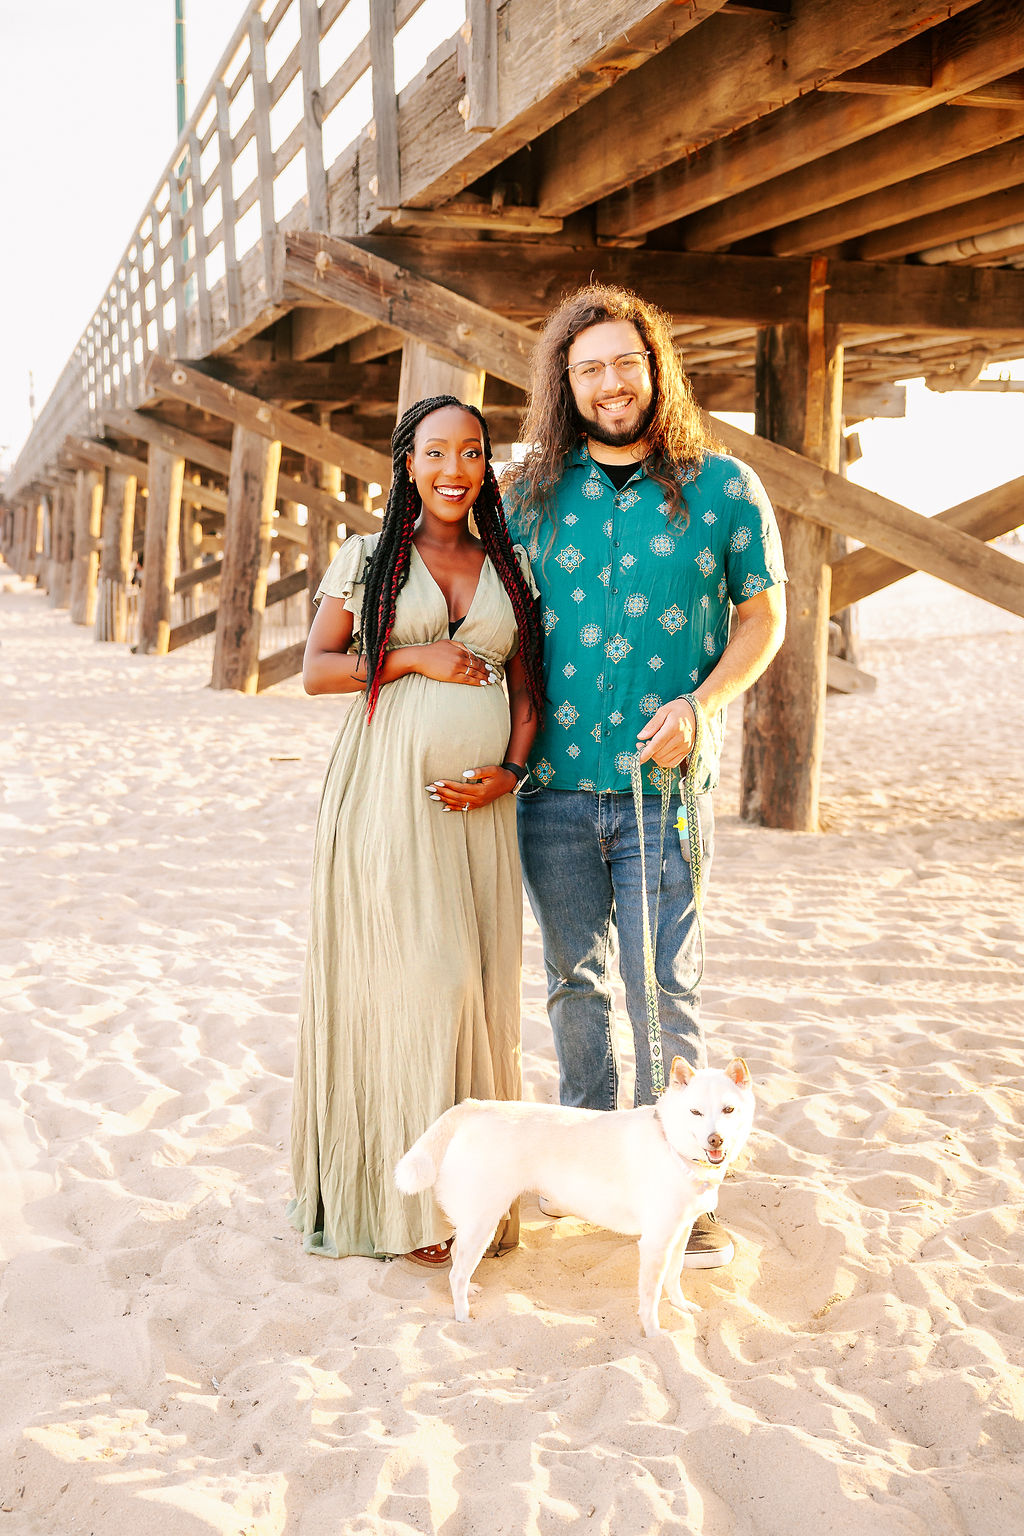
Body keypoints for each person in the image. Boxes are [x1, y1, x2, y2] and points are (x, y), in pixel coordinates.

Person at [503, 285, 787, 1268]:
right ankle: (588, 1168)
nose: (610, 382)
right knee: (573, 989)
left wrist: (702, 705)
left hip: (664, 795)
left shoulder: (723, 488)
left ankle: (685, 1193)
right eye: (589, 369)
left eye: (625, 362)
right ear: (565, 385)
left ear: (654, 368)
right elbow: (470, 603)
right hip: (549, 790)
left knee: (662, 988)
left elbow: (762, 616)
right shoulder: (528, 495)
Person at [289, 396, 544, 1267]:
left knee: (476, 991)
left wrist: (508, 771)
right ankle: (419, 1208)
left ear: (485, 467)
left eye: (471, 453)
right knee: (423, 987)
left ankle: (466, 1203)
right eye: (435, 453)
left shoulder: (510, 566)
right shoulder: (367, 558)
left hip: (482, 813)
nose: (453, 470)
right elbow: (316, 670)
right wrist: (411, 656)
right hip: (385, 803)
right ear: (406, 463)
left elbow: (526, 690)